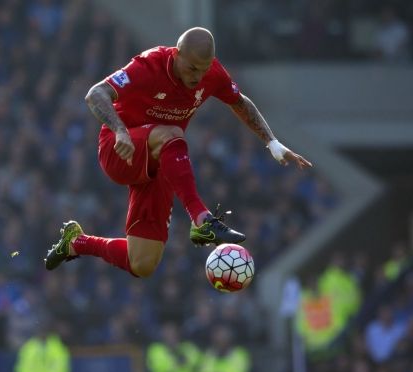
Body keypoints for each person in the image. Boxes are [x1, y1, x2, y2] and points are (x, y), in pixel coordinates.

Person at [44, 27, 312, 277]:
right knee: (172, 133)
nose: (197, 77)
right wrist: (120, 130)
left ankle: (77, 243)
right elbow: (95, 94)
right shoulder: (149, 65)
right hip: (119, 150)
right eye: (192, 67)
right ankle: (201, 219)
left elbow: (240, 102)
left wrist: (273, 143)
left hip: (161, 160)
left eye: (203, 70)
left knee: (143, 263)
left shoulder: (212, 74)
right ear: (177, 53)